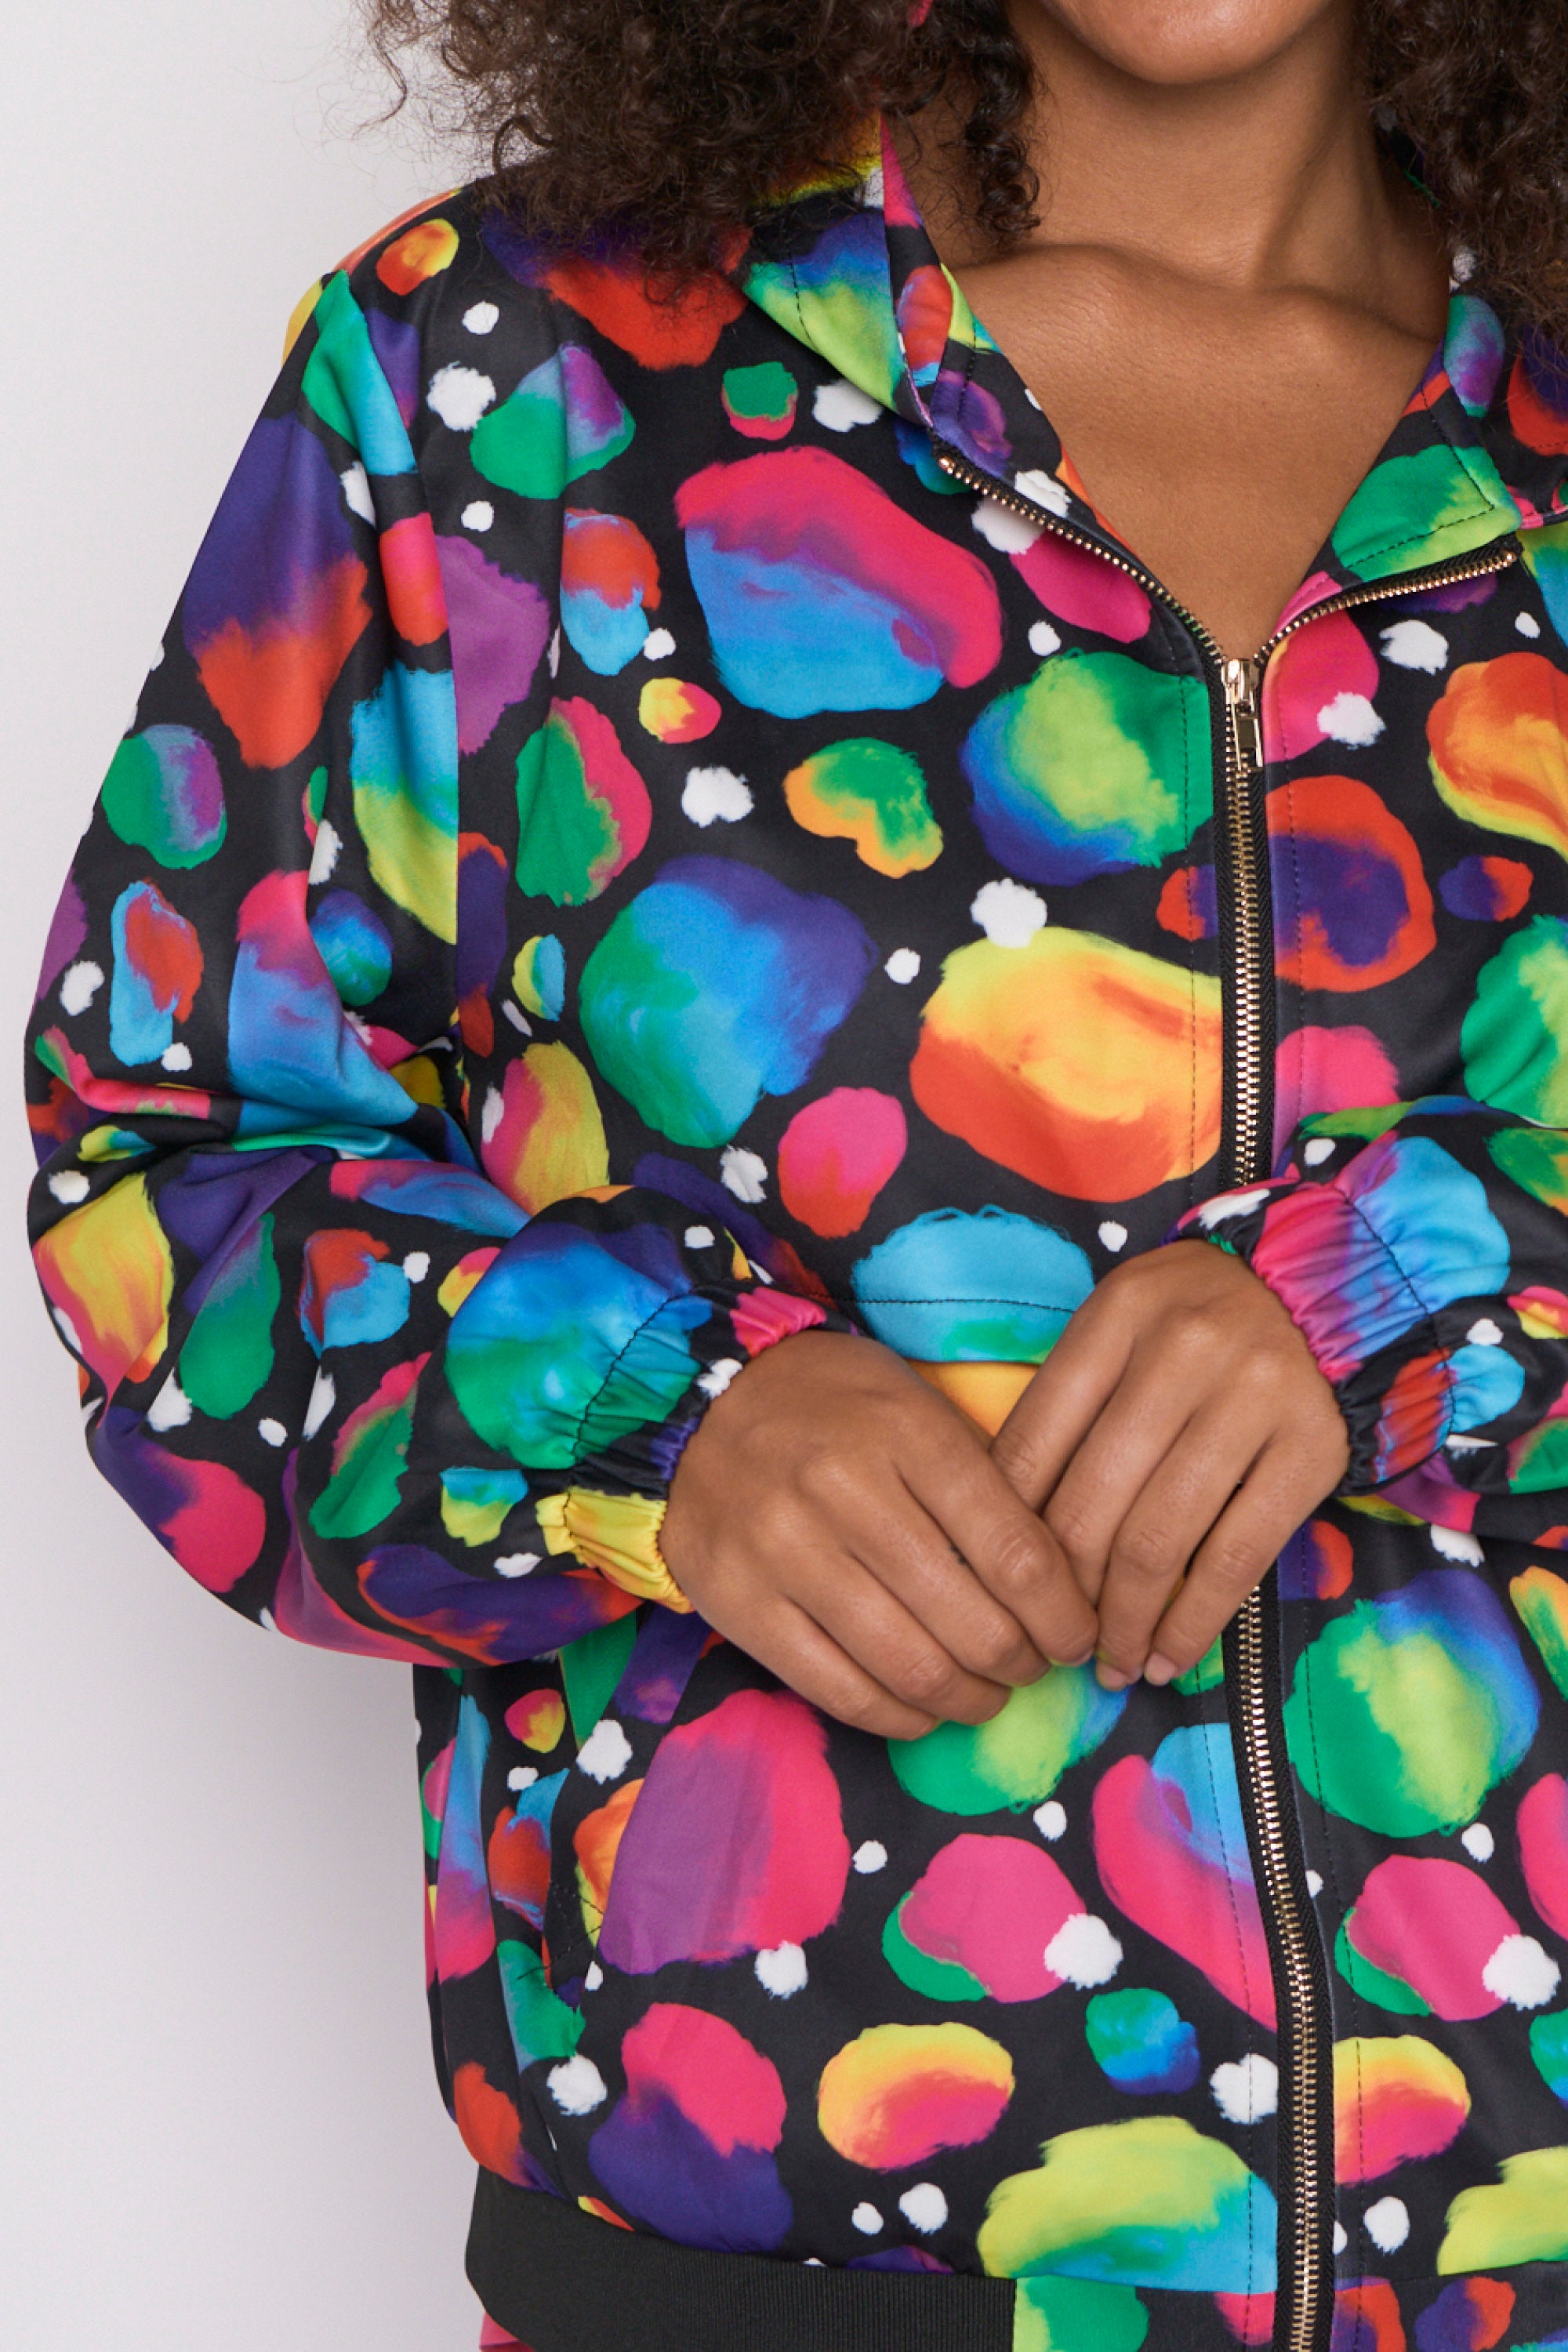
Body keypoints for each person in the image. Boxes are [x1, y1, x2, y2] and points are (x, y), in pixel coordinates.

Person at [25, 0, 1568, 2343]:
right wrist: (659, 1416)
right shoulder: (518, 379)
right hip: (783, 2268)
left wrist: (1424, 1285)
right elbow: (170, 1176)